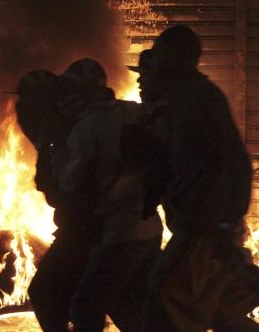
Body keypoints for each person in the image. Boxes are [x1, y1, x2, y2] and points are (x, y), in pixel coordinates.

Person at [142, 25, 259, 332]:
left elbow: (227, 162)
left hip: (203, 226)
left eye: (160, 55)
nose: (154, 65)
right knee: (218, 311)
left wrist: (221, 222)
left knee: (165, 306)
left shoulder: (195, 99)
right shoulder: (187, 98)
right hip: (205, 223)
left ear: (175, 59)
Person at [53, 58, 163, 332]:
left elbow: (68, 182)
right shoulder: (129, 111)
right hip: (148, 229)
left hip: (119, 233)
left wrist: (52, 145)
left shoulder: (86, 128)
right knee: (127, 305)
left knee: (85, 309)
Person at [16, 69, 96, 332]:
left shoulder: (72, 131)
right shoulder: (68, 128)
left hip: (89, 231)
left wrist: (44, 144)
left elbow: (59, 190)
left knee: (46, 294)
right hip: (88, 230)